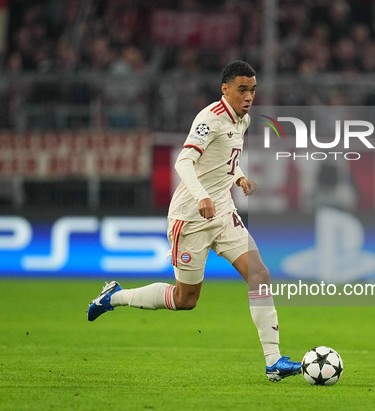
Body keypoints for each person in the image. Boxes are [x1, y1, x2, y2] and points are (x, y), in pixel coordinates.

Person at [87, 60, 301, 382]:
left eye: (253, 90)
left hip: (224, 213)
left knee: (260, 274)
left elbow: (227, 159)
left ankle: (273, 362)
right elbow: (184, 161)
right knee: (186, 300)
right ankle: (114, 296)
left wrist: (240, 177)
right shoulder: (209, 119)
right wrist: (201, 195)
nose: (249, 96)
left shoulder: (242, 121)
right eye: (242, 89)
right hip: (191, 218)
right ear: (225, 89)